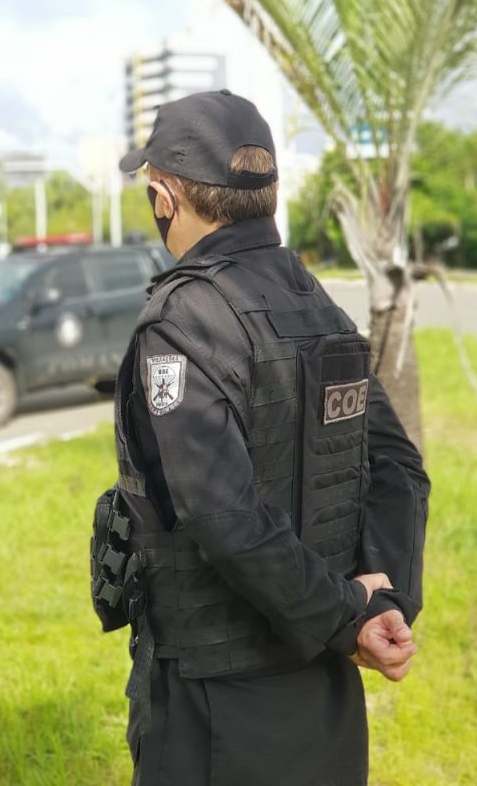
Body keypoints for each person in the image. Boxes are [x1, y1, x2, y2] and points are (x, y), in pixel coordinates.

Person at [95, 89, 430, 786]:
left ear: (164, 198)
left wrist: (350, 617)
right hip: (325, 687)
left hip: (217, 700)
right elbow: (399, 468)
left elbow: (225, 516)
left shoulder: (183, 321)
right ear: (267, 193)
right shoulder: (314, 300)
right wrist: (381, 604)